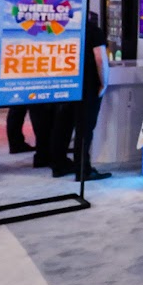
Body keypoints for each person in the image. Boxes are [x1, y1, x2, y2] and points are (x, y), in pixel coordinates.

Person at [50, 11, 111, 181]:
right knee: (84, 129)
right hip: (87, 85)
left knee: (62, 125)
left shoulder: (62, 29)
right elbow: (100, 59)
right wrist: (104, 82)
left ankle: (59, 164)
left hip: (64, 82)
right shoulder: (94, 31)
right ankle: (83, 169)